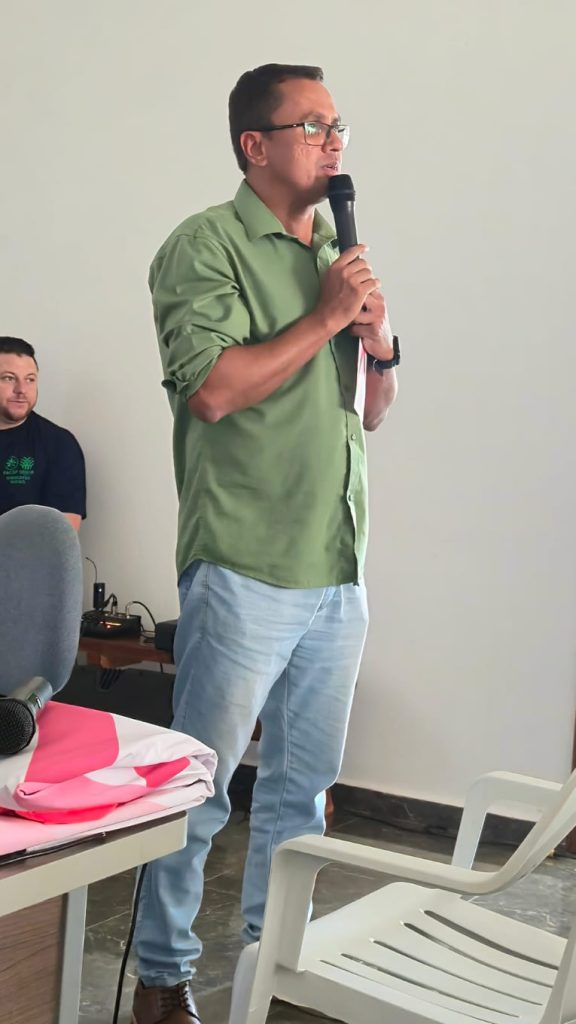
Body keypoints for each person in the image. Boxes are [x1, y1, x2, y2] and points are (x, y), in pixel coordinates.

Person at [132, 63, 399, 1024]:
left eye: (339, 125)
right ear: (256, 145)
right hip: (245, 562)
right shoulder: (204, 245)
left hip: (337, 564)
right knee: (200, 788)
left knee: (303, 796)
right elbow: (213, 390)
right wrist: (325, 316)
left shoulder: (334, 250)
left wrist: (378, 340)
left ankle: (274, 969)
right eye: (313, 125)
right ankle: (160, 979)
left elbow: (370, 411)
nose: (334, 141)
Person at [0, 337, 86, 529]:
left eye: (30, 379)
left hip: (24, 550)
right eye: (9, 378)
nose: (21, 390)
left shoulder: (58, 444)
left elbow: (60, 534)